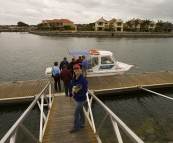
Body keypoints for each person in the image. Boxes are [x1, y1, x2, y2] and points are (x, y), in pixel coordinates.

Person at [69, 64, 88, 133]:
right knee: (80, 111)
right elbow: (72, 87)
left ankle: (76, 127)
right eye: (75, 69)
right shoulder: (74, 78)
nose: (76, 70)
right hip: (77, 98)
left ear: (80, 70)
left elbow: (85, 91)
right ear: (73, 71)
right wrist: (70, 95)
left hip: (81, 99)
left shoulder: (83, 79)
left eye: (77, 69)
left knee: (75, 113)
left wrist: (76, 92)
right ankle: (82, 124)